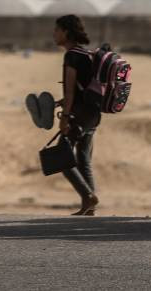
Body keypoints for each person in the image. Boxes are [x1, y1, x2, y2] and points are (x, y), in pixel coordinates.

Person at [54, 14, 100, 216]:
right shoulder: (87, 54)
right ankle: (89, 206)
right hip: (93, 113)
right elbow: (85, 88)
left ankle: (88, 196)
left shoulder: (71, 55)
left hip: (78, 115)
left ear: (66, 31)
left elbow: (71, 91)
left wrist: (65, 117)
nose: (54, 34)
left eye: (56, 30)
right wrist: (63, 102)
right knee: (83, 159)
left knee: (62, 157)